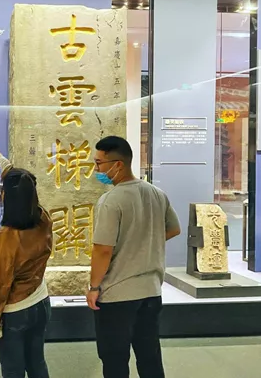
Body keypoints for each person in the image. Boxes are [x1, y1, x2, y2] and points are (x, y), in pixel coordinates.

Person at [86, 136, 181, 378]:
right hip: (151, 291)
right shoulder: (156, 193)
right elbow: (173, 229)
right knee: (150, 357)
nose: (96, 170)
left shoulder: (110, 201)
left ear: (118, 164)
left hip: (117, 294)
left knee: (115, 359)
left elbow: (103, 249)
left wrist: (94, 287)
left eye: (99, 163)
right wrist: (145, 243)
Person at [0, 146, 53, 378]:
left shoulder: (7, 237)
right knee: (37, 364)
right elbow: (23, 185)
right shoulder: (42, 218)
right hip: (40, 302)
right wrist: (4, 163)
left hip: (15, 312)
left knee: (13, 370)